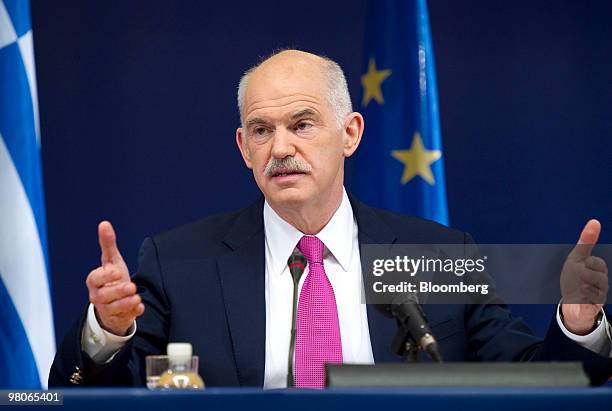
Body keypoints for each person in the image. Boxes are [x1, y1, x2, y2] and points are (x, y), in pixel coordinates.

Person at [49, 50, 612, 388]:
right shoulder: (178, 263)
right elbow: (88, 393)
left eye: (303, 123)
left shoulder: (433, 256)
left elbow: (532, 383)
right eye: (263, 131)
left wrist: (578, 325)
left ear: (351, 133)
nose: (281, 148)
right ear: (243, 148)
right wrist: (108, 331)